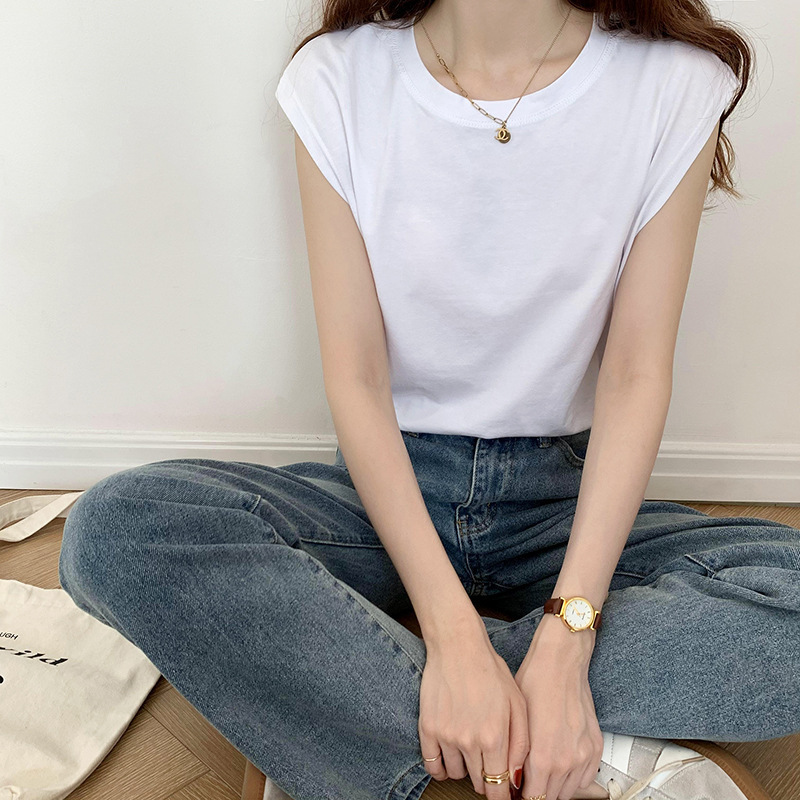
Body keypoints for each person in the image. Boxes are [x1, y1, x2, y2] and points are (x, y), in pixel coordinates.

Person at [58, 1, 800, 800]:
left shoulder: (672, 84)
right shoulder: (338, 78)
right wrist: (450, 639)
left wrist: (568, 636)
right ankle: (539, 737)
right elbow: (358, 379)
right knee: (116, 530)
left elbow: (633, 376)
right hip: (386, 494)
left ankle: (348, 710)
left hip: (564, 503)